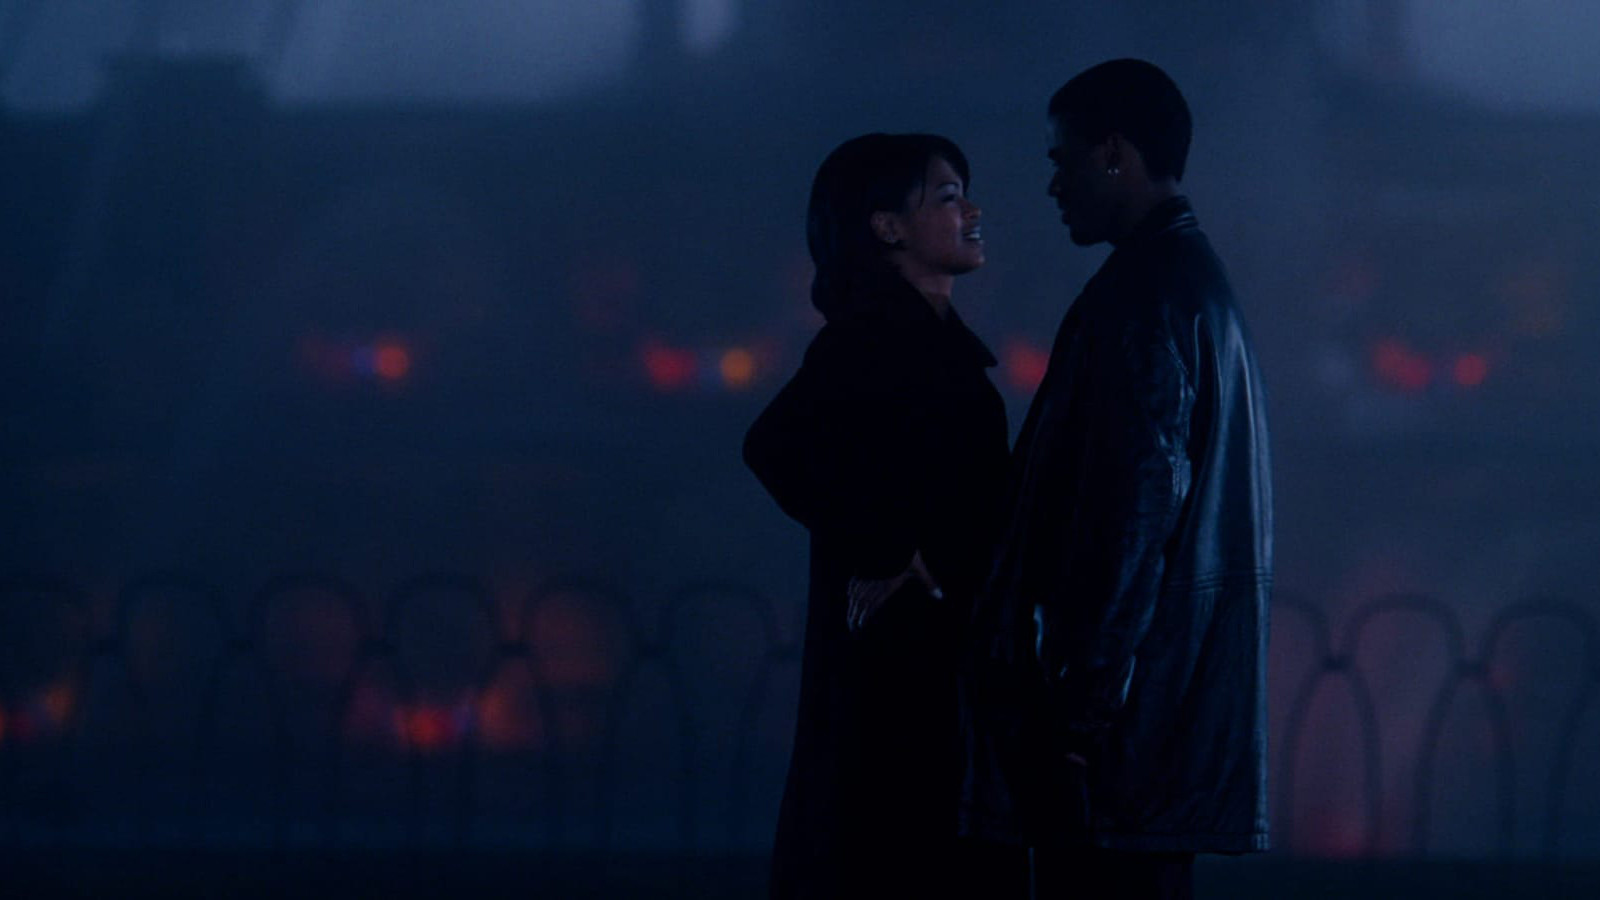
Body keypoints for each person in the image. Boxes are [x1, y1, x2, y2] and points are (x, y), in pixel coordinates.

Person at [961, 59, 1273, 900]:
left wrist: (1075, 718)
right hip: (1157, 734)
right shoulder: (1191, 286)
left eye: (1061, 159)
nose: (1053, 185)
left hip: (1116, 751)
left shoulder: (1143, 300)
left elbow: (1130, 523)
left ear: (1112, 153)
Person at [744, 133, 1019, 899]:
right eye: (947, 197)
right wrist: (889, 549)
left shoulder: (925, 338)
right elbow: (774, 445)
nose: (971, 212)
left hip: (937, 657)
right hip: (903, 669)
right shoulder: (872, 337)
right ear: (887, 226)